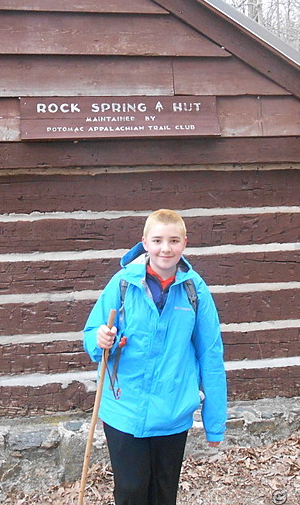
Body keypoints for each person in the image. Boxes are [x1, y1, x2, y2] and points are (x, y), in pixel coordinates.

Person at [82, 209, 227, 505]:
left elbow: (211, 356)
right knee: (131, 492)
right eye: (158, 240)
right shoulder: (123, 284)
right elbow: (93, 339)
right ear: (145, 243)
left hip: (173, 411)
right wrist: (101, 339)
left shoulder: (194, 290)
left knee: (163, 495)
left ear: (184, 243)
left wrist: (215, 424)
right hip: (125, 408)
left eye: (173, 240)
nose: (165, 248)